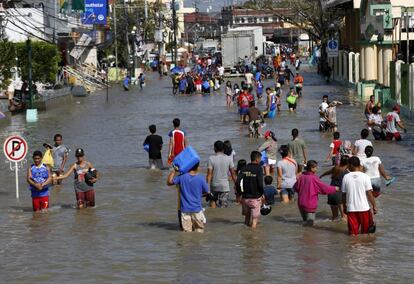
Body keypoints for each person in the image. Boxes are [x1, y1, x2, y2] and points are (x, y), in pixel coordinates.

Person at [167, 163, 210, 232]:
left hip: (185, 210)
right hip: (197, 210)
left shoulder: (181, 177)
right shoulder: (201, 178)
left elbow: (169, 182)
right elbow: (207, 192)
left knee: (186, 233)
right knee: (199, 231)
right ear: (198, 167)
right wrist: (200, 195)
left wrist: (174, 171)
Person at [294, 160, 339, 226]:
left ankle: (303, 235)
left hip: (301, 203)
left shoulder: (301, 177)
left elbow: (296, 188)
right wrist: (335, 188)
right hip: (310, 203)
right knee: (310, 224)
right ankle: (307, 235)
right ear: (311, 168)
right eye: (315, 167)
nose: (316, 169)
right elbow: (323, 188)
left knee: (305, 222)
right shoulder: (314, 178)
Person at [342, 156, 377, 236]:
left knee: (352, 234)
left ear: (351, 165)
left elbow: (344, 194)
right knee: (366, 233)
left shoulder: (346, 177)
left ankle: (353, 248)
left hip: (351, 209)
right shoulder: (365, 176)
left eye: (348, 165)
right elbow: (369, 194)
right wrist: (374, 206)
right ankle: (364, 248)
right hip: (364, 209)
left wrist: (344, 207)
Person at [236, 151, 264, 229]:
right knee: (254, 221)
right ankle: (252, 238)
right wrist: (261, 193)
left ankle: (245, 237)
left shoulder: (244, 168)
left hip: (245, 198)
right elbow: (260, 184)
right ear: (257, 159)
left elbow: (237, 182)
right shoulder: (259, 169)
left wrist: (240, 193)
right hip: (255, 198)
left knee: (247, 219)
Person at [206, 141, 237, 208]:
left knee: (212, 204)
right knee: (223, 207)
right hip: (224, 186)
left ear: (215, 148)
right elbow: (233, 173)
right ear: (223, 148)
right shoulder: (228, 158)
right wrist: (236, 184)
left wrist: (207, 187)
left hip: (214, 186)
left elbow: (209, 174)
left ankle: (213, 217)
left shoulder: (211, 158)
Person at [320, 155, 349, 221]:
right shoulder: (347, 172)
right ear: (348, 163)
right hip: (339, 194)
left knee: (334, 217)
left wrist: (321, 175)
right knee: (344, 217)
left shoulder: (335, 168)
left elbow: (327, 172)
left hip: (330, 193)